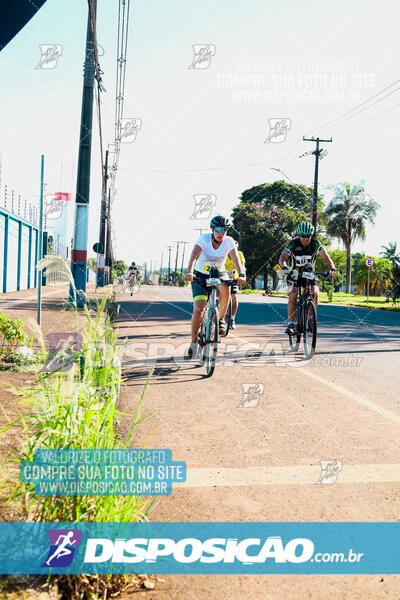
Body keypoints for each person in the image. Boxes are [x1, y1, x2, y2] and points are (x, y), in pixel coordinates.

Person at [185, 216, 245, 358]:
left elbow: (236, 259)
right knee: (199, 308)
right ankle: (193, 342)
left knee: (226, 286)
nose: (221, 233)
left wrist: (241, 274)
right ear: (212, 230)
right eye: (218, 230)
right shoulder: (203, 239)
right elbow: (193, 257)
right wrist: (189, 272)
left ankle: (221, 320)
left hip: (219, 273)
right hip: (201, 275)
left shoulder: (229, 241)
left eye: (224, 230)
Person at [279, 221, 336, 335]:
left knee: (315, 293)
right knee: (293, 294)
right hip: (294, 273)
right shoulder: (292, 244)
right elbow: (282, 259)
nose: (306, 239)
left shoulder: (315, 244)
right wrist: (284, 268)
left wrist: (332, 268)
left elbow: (326, 257)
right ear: (299, 235)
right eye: (303, 236)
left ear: (311, 235)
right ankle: (290, 324)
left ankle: (310, 318)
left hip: (309, 273)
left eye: (308, 236)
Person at [224, 241, 246, 329]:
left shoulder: (239, 254)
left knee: (234, 297)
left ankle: (232, 318)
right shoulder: (223, 254)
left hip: (234, 278)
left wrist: (243, 276)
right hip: (223, 277)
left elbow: (243, 266)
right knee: (220, 297)